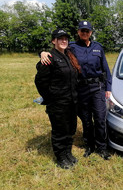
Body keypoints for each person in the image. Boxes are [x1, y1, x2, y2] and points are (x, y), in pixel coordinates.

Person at [40, 21, 112, 160]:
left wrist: (108, 88)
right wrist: (42, 53)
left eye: (87, 31)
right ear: (78, 32)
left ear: (91, 32)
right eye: (82, 30)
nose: (84, 33)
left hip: (97, 88)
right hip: (81, 88)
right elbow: (56, 52)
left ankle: (102, 147)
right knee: (86, 120)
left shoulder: (98, 47)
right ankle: (89, 146)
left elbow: (106, 69)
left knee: (100, 118)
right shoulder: (71, 47)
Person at [35, 29, 81, 169]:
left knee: (70, 129)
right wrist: (50, 98)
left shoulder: (68, 55)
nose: (63, 41)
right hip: (58, 103)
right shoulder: (49, 57)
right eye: (60, 38)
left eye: (66, 38)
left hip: (71, 101)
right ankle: (61, 157)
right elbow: (40, 81)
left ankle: (67, 153)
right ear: (53, 41)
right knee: (60, 131)